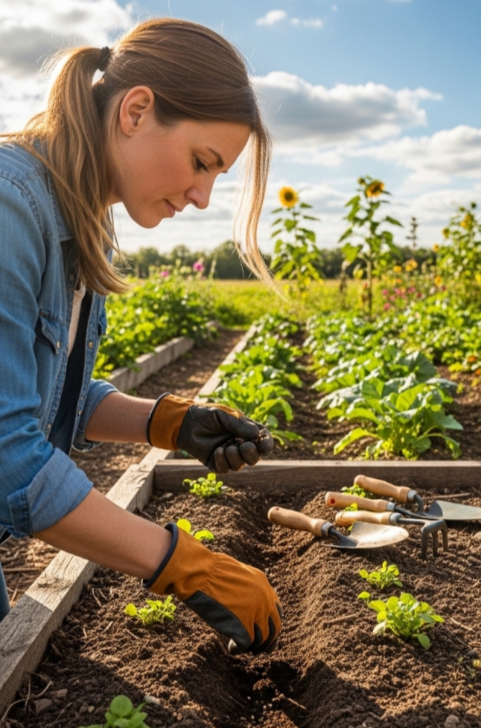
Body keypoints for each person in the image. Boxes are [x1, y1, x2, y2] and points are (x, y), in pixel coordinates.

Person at [0, 18, 282, 654]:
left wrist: (169, 423)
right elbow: (7, 456)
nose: (203, 196)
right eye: (201, 163)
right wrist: (183, 564)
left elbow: (46, 397)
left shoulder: (83, 223)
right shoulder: (10, 207)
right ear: (135, 111)